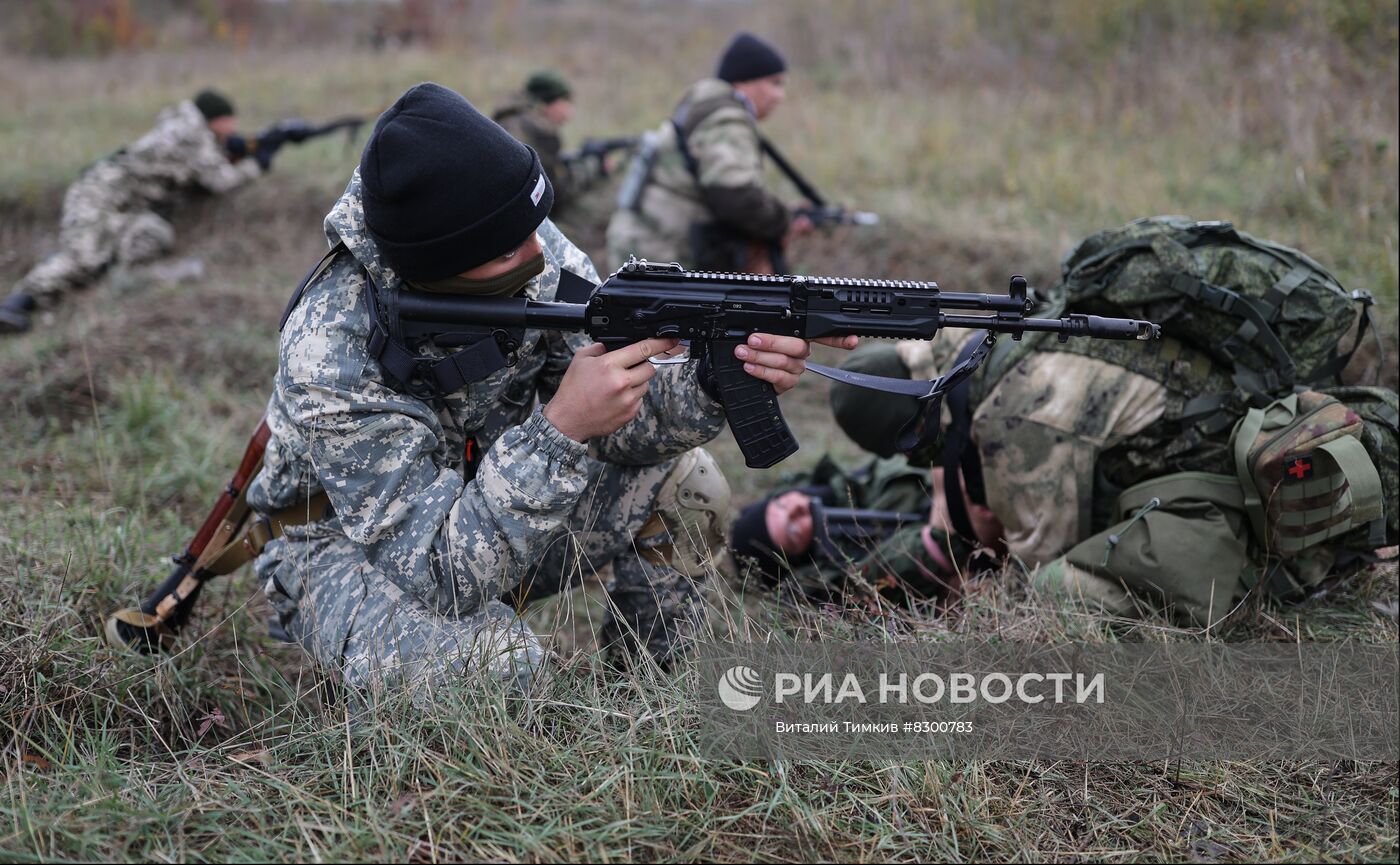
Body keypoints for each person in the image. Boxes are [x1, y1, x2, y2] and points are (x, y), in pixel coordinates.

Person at [247, 82, 854, 694]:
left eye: (536, 224)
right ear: (441, 266)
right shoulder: (330, 350)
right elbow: (435, 569)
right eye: (514, 244)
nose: (542, 250)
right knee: (492, 667)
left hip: (490, 496)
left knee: (689, 487)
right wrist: (560, 431)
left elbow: (629, 427)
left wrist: (715, 377)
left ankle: (651, 704)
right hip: (345, 547)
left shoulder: (521, 244)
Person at [0, 89, 265, 334]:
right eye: (230, 119)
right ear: (216, 119)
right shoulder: (188, 134)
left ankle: (105, 285)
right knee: (82, 257)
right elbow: (221, 180)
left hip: (122, 206)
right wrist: (259, 162)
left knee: (150, 232)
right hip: (97, 195)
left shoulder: (190, 131)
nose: (234, 127)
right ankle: (16, 304)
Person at [605, 31, 813, 273]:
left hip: (642, 245)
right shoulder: (726, 119)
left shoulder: (703, 107)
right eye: (775, 83)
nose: (780, 96)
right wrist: (783, 221)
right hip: (662, 255)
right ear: (744, 81)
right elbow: (735, 195)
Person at [492, 70, 597, 220]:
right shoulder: (540, 129)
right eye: (566, 101)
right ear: (549, 102)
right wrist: (592, 167)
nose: (570, 111)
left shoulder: (508, 118)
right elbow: (554, 193)